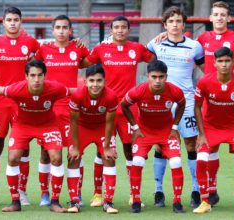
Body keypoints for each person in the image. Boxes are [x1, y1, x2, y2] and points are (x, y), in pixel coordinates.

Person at [153, 1, 234, 206]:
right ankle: (166, 191)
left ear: (228, 18)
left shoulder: (232, 39)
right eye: (216, 14)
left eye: (223, 14)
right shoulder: (200, 40)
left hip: (207, 103)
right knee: (173, 146)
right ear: (210, 17)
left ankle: (215, 191)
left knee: (201, 145)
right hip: (193, 103)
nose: (219, 18)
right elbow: (139, 50)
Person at [81, 15, 154, 207]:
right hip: (106, 108)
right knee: (102, 151)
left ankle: (133, 194)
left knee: (130, 150)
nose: (120, 30)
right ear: (110, 30)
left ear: (129, 30)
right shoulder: (101, 49)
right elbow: (83, 63)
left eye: (123, 27)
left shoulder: (137, 49)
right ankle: (98, 194)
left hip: (129, 107)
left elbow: (154, 58)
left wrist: (159, 38)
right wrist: (77, 47)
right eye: (116, 27)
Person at [146, 6, 204, 208]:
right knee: (161, 146)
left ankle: (196, 190)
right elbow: (147, 65)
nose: (175, 25)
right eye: (171, 21)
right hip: (162, 103)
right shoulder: (155, 44)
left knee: (190, 144)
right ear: (165, 25)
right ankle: (159, 191)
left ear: (184, 24)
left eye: (178, 21)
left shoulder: (195, 46)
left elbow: (206, 71)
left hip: (186, 102)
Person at [0, 59, 68, 213]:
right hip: (22, 125)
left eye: (40, 75)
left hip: (48, 124)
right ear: (26, 76)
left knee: (56, 157)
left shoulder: (55, 88)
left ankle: (55, 201)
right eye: (32, 75)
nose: (36, 80)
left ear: (45, 76)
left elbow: (73, 92)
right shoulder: (16, 89)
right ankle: (15, 201)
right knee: (13, 157)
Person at [0, 6, 40, 206]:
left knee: (23, 147)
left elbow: (40, 62)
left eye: (16, 19)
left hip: (22, 101)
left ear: (21, 21)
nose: (13, 23)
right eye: (9, 20)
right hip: (0, 100)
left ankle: (21, 191)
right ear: (3, 22)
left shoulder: (30, 42)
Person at [34, 14, 89, 207]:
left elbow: (88, 63)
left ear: (71, 31)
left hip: (72, 108)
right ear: (52, 30)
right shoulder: (44, 49)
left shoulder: (78, 48)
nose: (61, 31)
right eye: (58, 27)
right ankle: (44, 194)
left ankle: (76, 194)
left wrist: (82, 48)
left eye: (65, 27)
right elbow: (33, 71)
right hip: (48, 109)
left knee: (76, 152)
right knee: (46, 152)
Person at [193, 47, 234, 214]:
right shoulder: (205, 81)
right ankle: (205, 201)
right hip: (211, 128)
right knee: (201, 158)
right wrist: (201, 134)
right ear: (214, 63)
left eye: (227, 61)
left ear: (233, 63)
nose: (224, 64)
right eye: (220, 61)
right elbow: (197, 107)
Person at [121, 60, 186, 213]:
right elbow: (124, 105)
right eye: (154, 77)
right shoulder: (138, 91)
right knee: (136, 160)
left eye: (161, 77)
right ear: (148, 76)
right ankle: (135, 200)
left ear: (166, 77)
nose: (158, 81)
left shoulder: (175, 91)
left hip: (166, 132)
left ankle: (177, 201)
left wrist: (175, 126)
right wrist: (135, 127)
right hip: (144, 132)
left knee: (176, 161)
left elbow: (182, 104)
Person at [67, 64, 119, 214]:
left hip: (102, 127)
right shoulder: (77, 95)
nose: (95, 85)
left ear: (105, 81)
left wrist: (107, 146)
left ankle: (108, 202)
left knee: (109, 157)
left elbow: (110, 122)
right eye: (91, 81)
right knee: (73, 158)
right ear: (85, 81)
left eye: (99, 81)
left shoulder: (111, 96)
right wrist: (76, 147)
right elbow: (73, 122)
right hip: (82, 127)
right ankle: (74, 201)